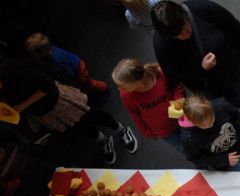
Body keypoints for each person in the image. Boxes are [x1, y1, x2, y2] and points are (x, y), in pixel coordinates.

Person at [0, 50, 137, 164]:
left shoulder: (14, 69)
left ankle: (122, 129)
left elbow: (46, 85)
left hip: (57, 101)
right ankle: (104, 140)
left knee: (91, 115)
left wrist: (22, 106)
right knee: (77, 127)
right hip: (43, 113)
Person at [151, 0, 240, 119]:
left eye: (186, 24)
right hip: (214, 85)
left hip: (234, 65)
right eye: (178, 34)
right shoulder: (162, 46)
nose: (186, 33)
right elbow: (175, 77)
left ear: (185, 15)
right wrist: (202, 68)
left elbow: (232, 25)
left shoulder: (200, 8)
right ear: (168, 36)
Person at [180, 94, 240, 171]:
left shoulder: (221, 105)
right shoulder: (189, 138)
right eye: (205, 125)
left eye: (212, 118)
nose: (211, 125)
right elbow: (197, 159)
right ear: (193, 122)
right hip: (229, 160)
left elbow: (237, 116)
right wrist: (223, 160)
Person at [112, 58, 185, 153]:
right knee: (183, 149)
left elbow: (177, 87)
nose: (119, 89)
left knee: (198, 139)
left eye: (122, 86)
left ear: (138, 82)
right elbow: (134, 114)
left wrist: (178, 110)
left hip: (182, 118)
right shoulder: (125, 95)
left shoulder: (160, 73)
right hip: (164, 132)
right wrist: (147, 133)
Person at [24, 32, 107, 94]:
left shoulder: (57, 59)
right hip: (76, 63)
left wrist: (72, 79)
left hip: (79, 68)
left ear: (42, 52)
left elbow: (69, 72)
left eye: (35, 54)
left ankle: (103, 88)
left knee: (88, 83)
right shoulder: (51, 49)